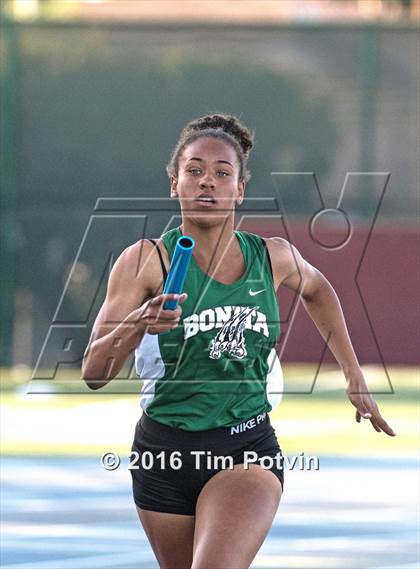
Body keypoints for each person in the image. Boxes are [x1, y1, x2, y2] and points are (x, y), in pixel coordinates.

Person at [82, 114, 395, 569]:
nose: (207, 182)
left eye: (222, 173)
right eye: (194, 171)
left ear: (240, 189)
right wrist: (137, 324)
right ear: (174, 184)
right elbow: (93, 373)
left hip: (245, 450)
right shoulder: (145, 262)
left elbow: (319, 290)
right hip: (162, 455)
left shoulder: (273, 257)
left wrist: (353, 373)